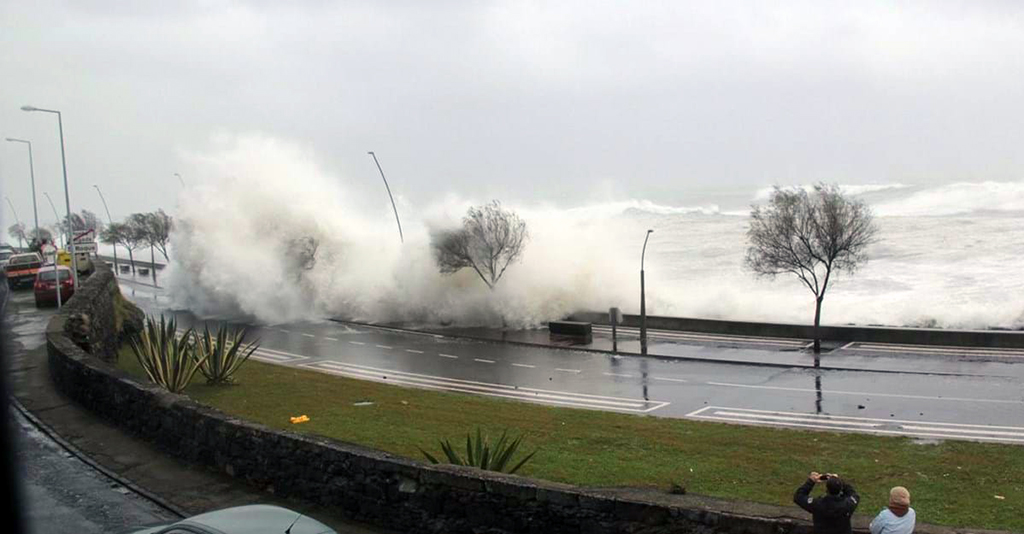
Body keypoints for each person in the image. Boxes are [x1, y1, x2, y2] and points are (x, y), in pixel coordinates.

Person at [794, 471, 861, 534]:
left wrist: (811, 481)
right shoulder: (847, 505)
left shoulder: (817, 504)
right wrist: (840, 481)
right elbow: (854, 495)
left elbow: (799, 497)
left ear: (827, 490)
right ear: (840, 489)